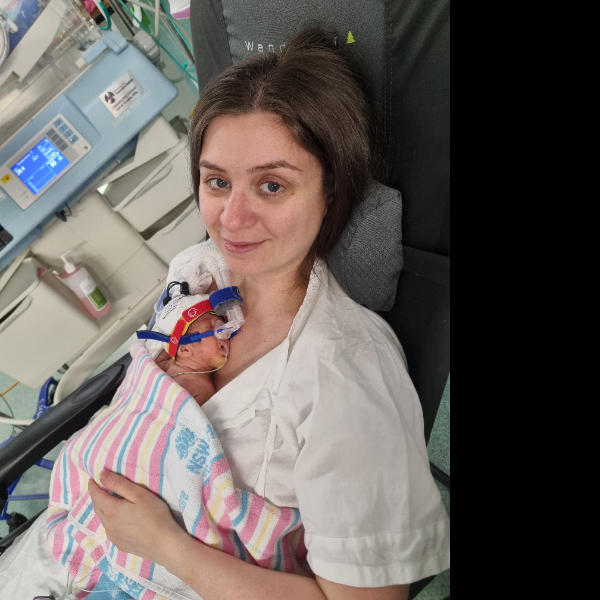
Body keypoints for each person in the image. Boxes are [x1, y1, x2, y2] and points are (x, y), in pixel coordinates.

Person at [0, 27, 449, 600]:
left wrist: (166, 546)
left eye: (272, 185)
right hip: (58, 552)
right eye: (217, 181)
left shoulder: (344, 372)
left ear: (333, 189)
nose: (231, 220)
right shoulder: (196, 271)